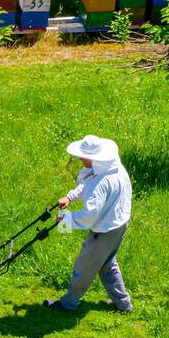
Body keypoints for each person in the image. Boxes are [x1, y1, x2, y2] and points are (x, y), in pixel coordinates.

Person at [45, 135, 133, 314]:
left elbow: (89, 217)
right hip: (119, 223)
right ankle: (124, 305)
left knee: (84, 267)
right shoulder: (112, 167)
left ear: (94, 158)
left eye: (82, 156)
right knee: (107, 264)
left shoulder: (101, 181)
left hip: (104, 230)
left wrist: (66, 219)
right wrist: (70, 196)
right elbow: (88, 183)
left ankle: (68, 303)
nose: (79, 158)